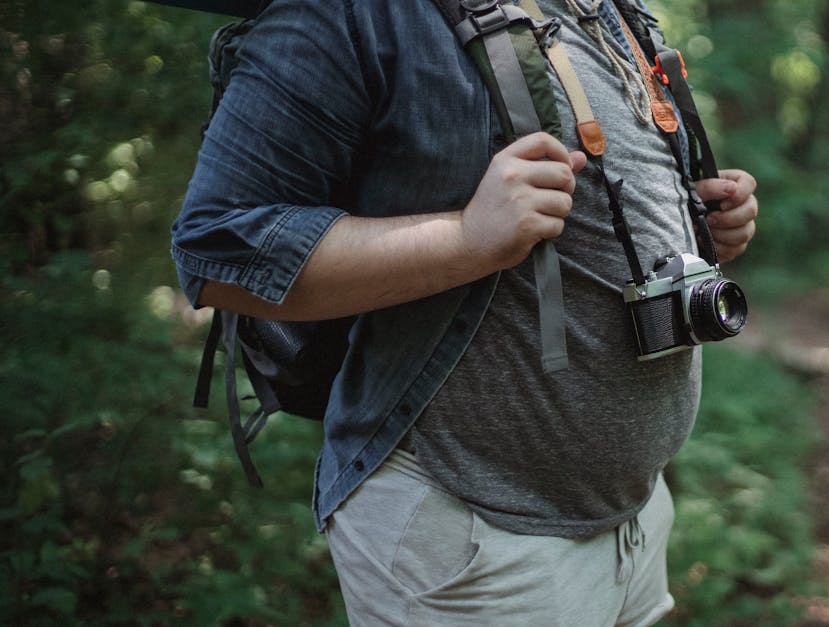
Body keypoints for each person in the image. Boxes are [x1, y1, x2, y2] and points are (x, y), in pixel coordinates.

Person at [170, 0, 758, 624]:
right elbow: (216, 251)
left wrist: (697, 222)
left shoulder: (607, 10)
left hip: (633, 521)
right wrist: (466, 239)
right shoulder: (355, 12)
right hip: (470, 536)